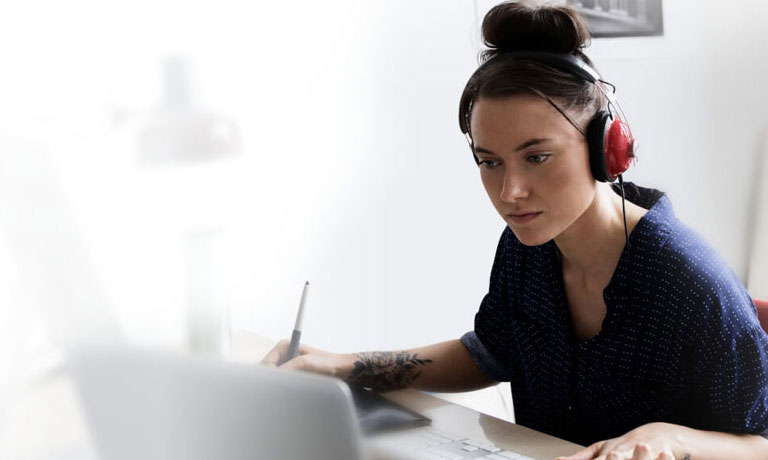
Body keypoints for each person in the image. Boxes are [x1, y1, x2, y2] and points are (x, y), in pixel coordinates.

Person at [261, 3, 768, 459]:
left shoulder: (686, 281)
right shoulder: (528, 247)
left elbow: (760, 442)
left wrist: (669, 437)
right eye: (489, 162)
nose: (510, 192)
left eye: (537, 157)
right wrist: (341, 365)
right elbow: (488, 353)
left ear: (606, 148)